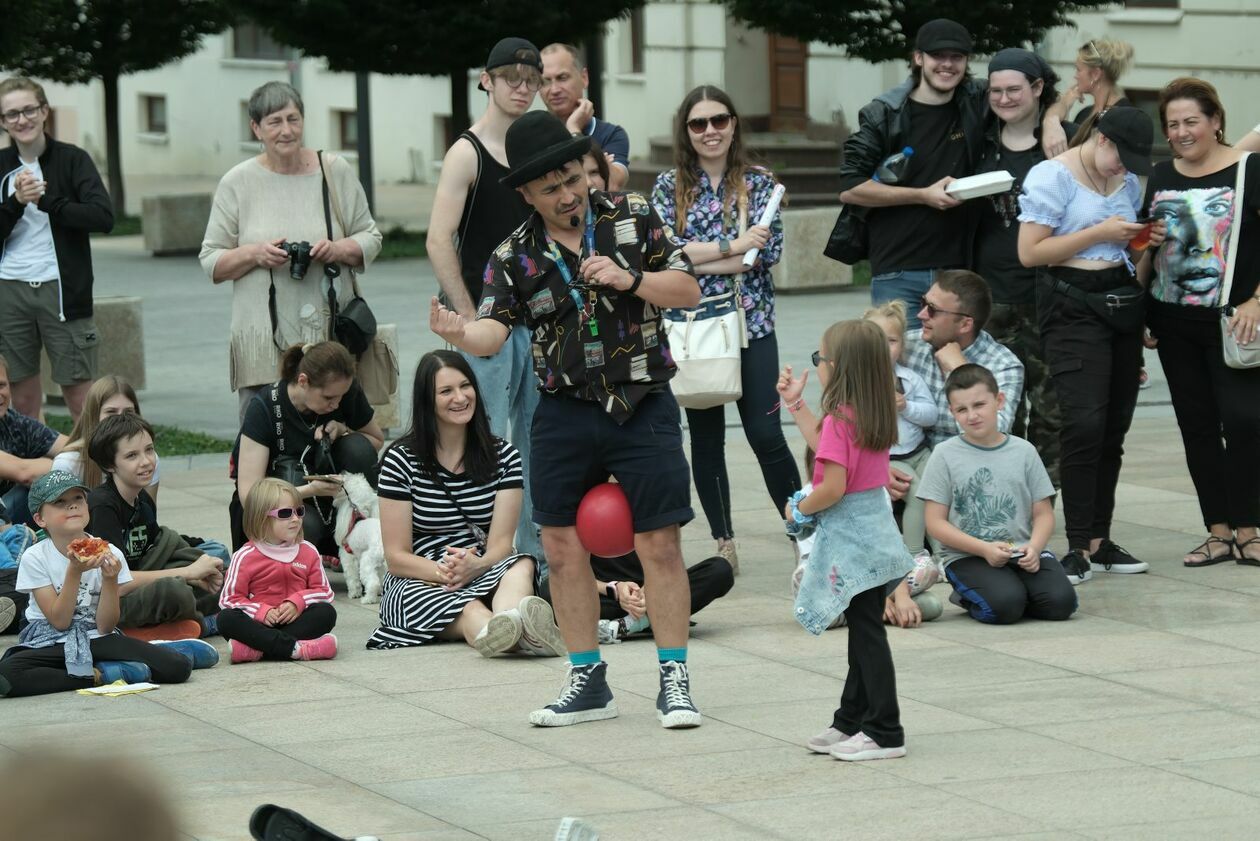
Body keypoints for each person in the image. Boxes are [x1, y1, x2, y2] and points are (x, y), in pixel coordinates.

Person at [429, 110, 703, 729]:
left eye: (571, 178)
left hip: (642, 404)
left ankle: (674, 679)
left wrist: (631, 278)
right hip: (563, 413)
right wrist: (460, 333)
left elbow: (688, 290)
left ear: (585, 170)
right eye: (549, 187)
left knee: (660, 542)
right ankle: (586, 680)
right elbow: (492, 331)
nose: (566, 193)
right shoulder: (513, 255)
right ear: (526, 194)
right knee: (559, 546)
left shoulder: (632, 218)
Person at [651, 85, 800, 571]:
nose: (710, 131)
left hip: (752, 324)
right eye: (699, 123)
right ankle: (724, 542)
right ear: (686, 130)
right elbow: (666, 257)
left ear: (734, 124)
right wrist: (733, 248)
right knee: (706, 438)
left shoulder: (759, 185)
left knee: (766, 433)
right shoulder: (667, 186)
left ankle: (804, 527)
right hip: (692, 327)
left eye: (720, 120)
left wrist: (703, 256)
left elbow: (766, 255)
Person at [1018, 107, 1159, 584]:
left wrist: (1145, 242)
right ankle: (1076, 544)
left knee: (1114, 426)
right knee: (1084, 422)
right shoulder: (1051, 176)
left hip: (1120, 302)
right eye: (1121, 155)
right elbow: (1030, 252)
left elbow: (1130, 256)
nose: (1124, 168)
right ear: (1100, 138)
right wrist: (1099, 231)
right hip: (1069, 306)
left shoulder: (1130, 184)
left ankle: (1100, 540)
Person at [425, 37, 545, 564]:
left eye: (531, 80)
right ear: (487, 80)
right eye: (511, 78)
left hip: (540, 320)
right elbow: (437, 238)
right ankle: (477, 555)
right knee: (483, 440)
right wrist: (469, 314)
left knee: (541, 439)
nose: (522, 88)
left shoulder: (537, 146)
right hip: (489, 322)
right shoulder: (466, 152)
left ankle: (537, 555)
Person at [200, 80, 382, 420]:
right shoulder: (237, 182)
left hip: (328, 341)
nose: (287, 130)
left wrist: (338, 249)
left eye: (293, 118)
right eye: (275, 121)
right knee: (265, 437)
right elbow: (211, 260)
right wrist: (256, 254)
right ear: (256, 128)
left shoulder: (334, 171)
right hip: (263, 341)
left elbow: (370, 237)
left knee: (336, 435)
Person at [366, 351, 564, 656]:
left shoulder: (504, 457)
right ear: (426, 401)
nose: (460, 397)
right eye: (446, 391)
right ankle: (510, 632)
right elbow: (396, 557)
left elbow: (500, 544)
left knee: (522, 564)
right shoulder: (400, 461)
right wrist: (448, 574)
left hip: (482, 567)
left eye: (465, 386)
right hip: (420, 577)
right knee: (468, 607)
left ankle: (511, 623)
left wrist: (476, 566)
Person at [1139, 78, 1260, 568]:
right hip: (1172, 321)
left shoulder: (1251, 169)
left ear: (1215, 121)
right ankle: (1218, 530)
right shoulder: (1159, 174)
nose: (1183, 132)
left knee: (1246, 421)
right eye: (1173, 124)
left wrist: (1257, 299)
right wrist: (1143, 300)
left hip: (1233, 323)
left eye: (1192, 121)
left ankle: (1250, 526)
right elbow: (1143, 251)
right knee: (1197, 427)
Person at [780, 320, 912, 761]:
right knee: (864, 630)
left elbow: (832, 485)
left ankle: (885, 730)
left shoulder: (843, 419)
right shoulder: (868, 414)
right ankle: (850, 720)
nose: (817, 366)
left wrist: (801, 509)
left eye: (820, 359)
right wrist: (795, 403)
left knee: (867, 635)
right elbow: (825, 443)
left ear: (840, 368)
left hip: (855, 542)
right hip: (876, 535)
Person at [0, 471, 214, 698]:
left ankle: (158, 650)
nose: (72, 506)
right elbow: (60, 622)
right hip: (49, 641)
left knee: (178, 668)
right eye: (60, 502)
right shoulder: (35, 557)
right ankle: (102, 674)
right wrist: (74, 572)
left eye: (78, 499)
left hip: (97, 637)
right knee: (7, 675)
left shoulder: (109, 552)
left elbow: (105, 626)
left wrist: (110, 580)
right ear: (40, 519)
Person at [838, 19, 987, 330]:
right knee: (896, 370)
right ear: (918, 58)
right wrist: (922, 195)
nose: (947, 64)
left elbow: (1035, 90)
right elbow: (851, 188)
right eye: (938, 56)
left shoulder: (976, 106)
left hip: (957, 273)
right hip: (898, 269)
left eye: (957, 57)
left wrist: (1055, 119)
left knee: (952, 370)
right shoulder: (884, 114)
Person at [973, 49, 1067, 487]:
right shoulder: (977, 139)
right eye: (996, 90)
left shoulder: (1065, 141)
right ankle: (1001, 498)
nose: (1004, 98)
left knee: (1052, 411)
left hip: (1049, 293)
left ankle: (1043, 499)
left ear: (1037, 88)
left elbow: (1103, 92)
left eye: (1014, 89)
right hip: (991, 297)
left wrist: (1054, 119)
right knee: (998, 408)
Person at [919, 365, 1077, 624]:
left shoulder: (1024, 451)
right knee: (1004, 608)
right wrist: (984, 548)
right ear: (952, 412)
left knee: (1061, 605)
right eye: (962, 409)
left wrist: (1035, 548)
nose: (972, 415)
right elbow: (935, 522)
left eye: (979, 405)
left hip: (1023, 550)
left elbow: (1043, 513)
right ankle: (971, 595)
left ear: (999, 401)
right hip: (968, 555)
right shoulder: (944, 455)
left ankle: (1014, 588)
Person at [0, 76, 113, 421]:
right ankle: (28, 474)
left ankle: (94, 474)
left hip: (62, 292)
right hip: (10, 290)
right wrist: (17, 201)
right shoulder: (2, 166)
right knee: (21, 401)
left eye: (29, 110)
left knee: (81, 399)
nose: (23, 120)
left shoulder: (73, 160)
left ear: (45, 111)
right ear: (3, 122)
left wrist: (48, 200)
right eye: (12, 114)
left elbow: (102, 216)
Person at [230, 341, 383, 556]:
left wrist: (343, 429)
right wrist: (310, 491)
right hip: (280, 508)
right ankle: (292, 559)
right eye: (328, 398)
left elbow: (375, 440)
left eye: (342, 396)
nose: (337, 405)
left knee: (357, 448)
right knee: (300, 522)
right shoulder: (264, 407)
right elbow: (249, 496)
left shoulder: (343, 391)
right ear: (303, 381)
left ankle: (359, 548)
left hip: (330, 501)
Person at [86, 414, 225, 637]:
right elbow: (115, 582)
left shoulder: (143, 500)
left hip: (140, 583)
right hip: (108, 601)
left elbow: (157, 554)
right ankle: (202, 625)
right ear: (109, 464)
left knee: (218, 577)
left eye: (149, 450)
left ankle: (173, 626)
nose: (146, 461)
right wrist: (187, 573)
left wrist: (196, 573)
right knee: (174, 592)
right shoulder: (102, 505)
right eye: (132, 455)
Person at [218, 477, 338, 663]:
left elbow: (324, 593)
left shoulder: (308, 551)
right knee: (226, 619)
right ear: (261, 518)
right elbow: (229, 600)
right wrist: (261, 611)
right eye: (285, 513)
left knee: (326, 613)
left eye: (299, 511)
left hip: (296, 621)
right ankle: (298, 649)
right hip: (260, 624)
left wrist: (298, 602)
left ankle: (258, 651)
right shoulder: (245, 556)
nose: (295, 519)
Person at [902, 271, 1024, 448]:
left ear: (965, 324)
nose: (921, 314)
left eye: (932, 310)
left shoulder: (1004, 365)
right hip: (908, 463)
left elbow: (991, 436)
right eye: (923, 303)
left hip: (967, 465)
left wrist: (961, 371)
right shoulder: (907, 345)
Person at [538, 550, 734, 644]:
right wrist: (614, 588)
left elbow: (668, 557)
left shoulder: (645, 490)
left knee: (720, 570)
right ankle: (644, 621)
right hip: (605, 595)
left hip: (654, 593)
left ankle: (628, 624)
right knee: (550, 589)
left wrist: (649, 590)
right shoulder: (582, 495)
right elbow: (569, 571)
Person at [863, 300, 935, 555]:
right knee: (917, 493)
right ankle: (915, 554)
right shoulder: (861, 383)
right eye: (876, 340)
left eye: (891, 341)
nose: (883, 348)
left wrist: (907, 407)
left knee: (938, 493)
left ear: (902, 346)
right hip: (890, 457)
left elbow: (931, 415)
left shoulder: (909, 379)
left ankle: (945, 555)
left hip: (919, 452)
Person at [52, 375, 161, 500]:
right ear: (94, 415)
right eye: (111, 412)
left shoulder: (148, 460)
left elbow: (149, 515)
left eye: (128, 412)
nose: (121, 419)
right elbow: (59, 516)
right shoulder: (68, 462)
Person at [541, 43, 630, 191]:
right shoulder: (532, 135)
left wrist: (574, 129)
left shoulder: (611, 134)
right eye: (546, 81)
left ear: (584, 78)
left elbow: (613, 184)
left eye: (562, 78)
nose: (554, 89)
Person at [0, 353, 66, 526]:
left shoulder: (12, 421)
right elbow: (25, 473)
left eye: (1, 385)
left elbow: (70, 446)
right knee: (35, 489)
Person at [1040, 38, 1136, 157]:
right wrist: (1065, 102)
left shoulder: (1124, 117)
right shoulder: (1085, 113)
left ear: (1095, 74)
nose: (1075, 76)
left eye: (1078, 69)